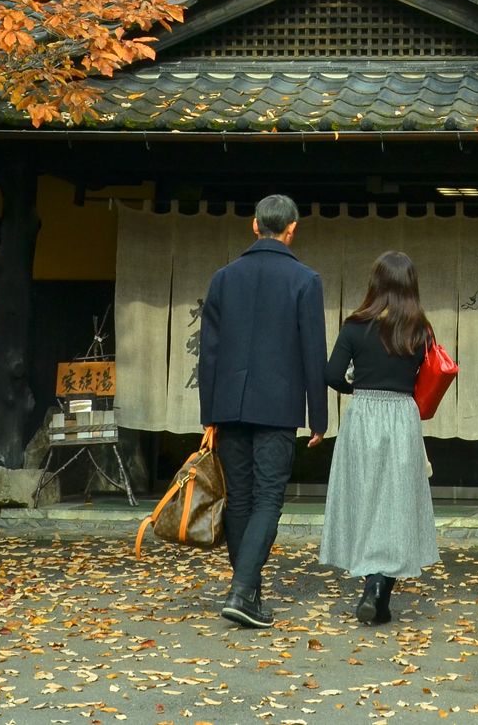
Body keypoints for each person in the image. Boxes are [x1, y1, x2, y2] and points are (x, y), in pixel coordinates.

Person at [199, 194, 328, 629]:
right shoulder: (305, 280)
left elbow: (209, 353)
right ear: (291, 229)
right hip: (278, 407)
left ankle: (246, 592)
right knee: (269, 498)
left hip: (229, 404)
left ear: (254, 226)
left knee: (240, 499)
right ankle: (242, 592)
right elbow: (313, 352)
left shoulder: (223, 278)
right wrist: (320, 416)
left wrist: (208, 414)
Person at [318, 251, 441, 624]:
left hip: (363, 416)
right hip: (402, 416)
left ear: (375, 283)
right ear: (410, 286)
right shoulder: (421, 330)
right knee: (396, 501)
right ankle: (377, 588)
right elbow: (432, 374)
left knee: (365, 498)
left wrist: (357, 383)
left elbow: (332, 375)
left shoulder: (355, 325)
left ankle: (373, 585)